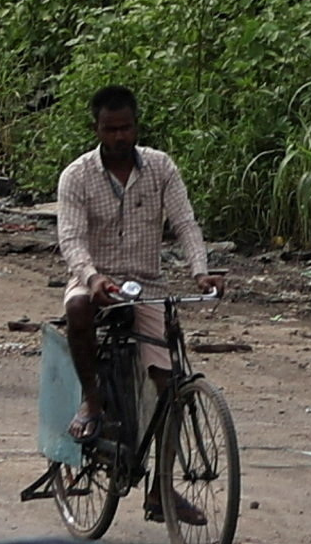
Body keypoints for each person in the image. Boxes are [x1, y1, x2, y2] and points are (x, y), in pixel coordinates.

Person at [49, 86, 210, 505]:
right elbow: (70, 239)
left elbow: (186, 223)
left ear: (137, 126)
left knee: (172, 385)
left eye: (127, 128)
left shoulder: (161, 168)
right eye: (111, 129)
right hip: (95, 279)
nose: (120, 137)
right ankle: (91, 399)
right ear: (97, 129)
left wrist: (200, 271)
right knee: (78, 309)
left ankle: (161, 487)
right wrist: (92, 277)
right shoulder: (76, 176)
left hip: (147, 287)